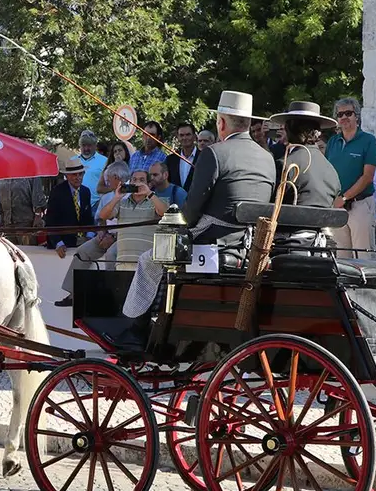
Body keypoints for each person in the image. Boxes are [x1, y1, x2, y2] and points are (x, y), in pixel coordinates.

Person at [122, 90, 274, 324]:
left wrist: (174, 226)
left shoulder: (214, 153)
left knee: (148, 259)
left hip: (214, 242)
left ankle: (141, 325)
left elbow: (192, 209)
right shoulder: (267, 158)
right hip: (250, 243)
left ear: (221, 122)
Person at [266, 100, 341, 250]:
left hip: (288, 245)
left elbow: (270, 208)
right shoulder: (330, 169)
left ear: (288, 129)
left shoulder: (286, 164)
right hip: (322, 246)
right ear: (317, 132)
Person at [55, 162, 131, 307]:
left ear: (116, 177)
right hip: (106, 235)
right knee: (83, 251)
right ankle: (74, 293)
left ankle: (113, 295)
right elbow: (100, 219)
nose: (107, 182)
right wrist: (102, 232)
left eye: (109, 179)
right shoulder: (108, 196)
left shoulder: (131, 195)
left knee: (111, 255)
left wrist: (113, 237)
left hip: (124, 237)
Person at [325, 98, 376, 258]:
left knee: (363, 257)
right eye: (340, 114)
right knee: (341, 258)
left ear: (357, 116)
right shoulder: (333, 142)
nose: (344, 117)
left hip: (360, 204)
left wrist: (345, 197)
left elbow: (368, 176)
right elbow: (327, 173)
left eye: (348, 113)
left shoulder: (369, 140)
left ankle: (365, 285)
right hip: (337, 207)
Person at [44, 155, 94, 255]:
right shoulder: (57, 192)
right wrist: (58, 243)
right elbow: (50, 221)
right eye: (74, 174)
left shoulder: (85, 191)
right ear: (67, 176)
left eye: (80, 174)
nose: (78, 178)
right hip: (63, 245)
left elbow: (88, 217)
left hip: (81, 243)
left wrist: (90, 236)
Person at [167, 122, 200, 190]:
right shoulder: (171, 159)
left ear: (194, 136)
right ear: (178, 137)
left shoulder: (204, 157)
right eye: (181, 135)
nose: (184, 138)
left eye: (188, 134)